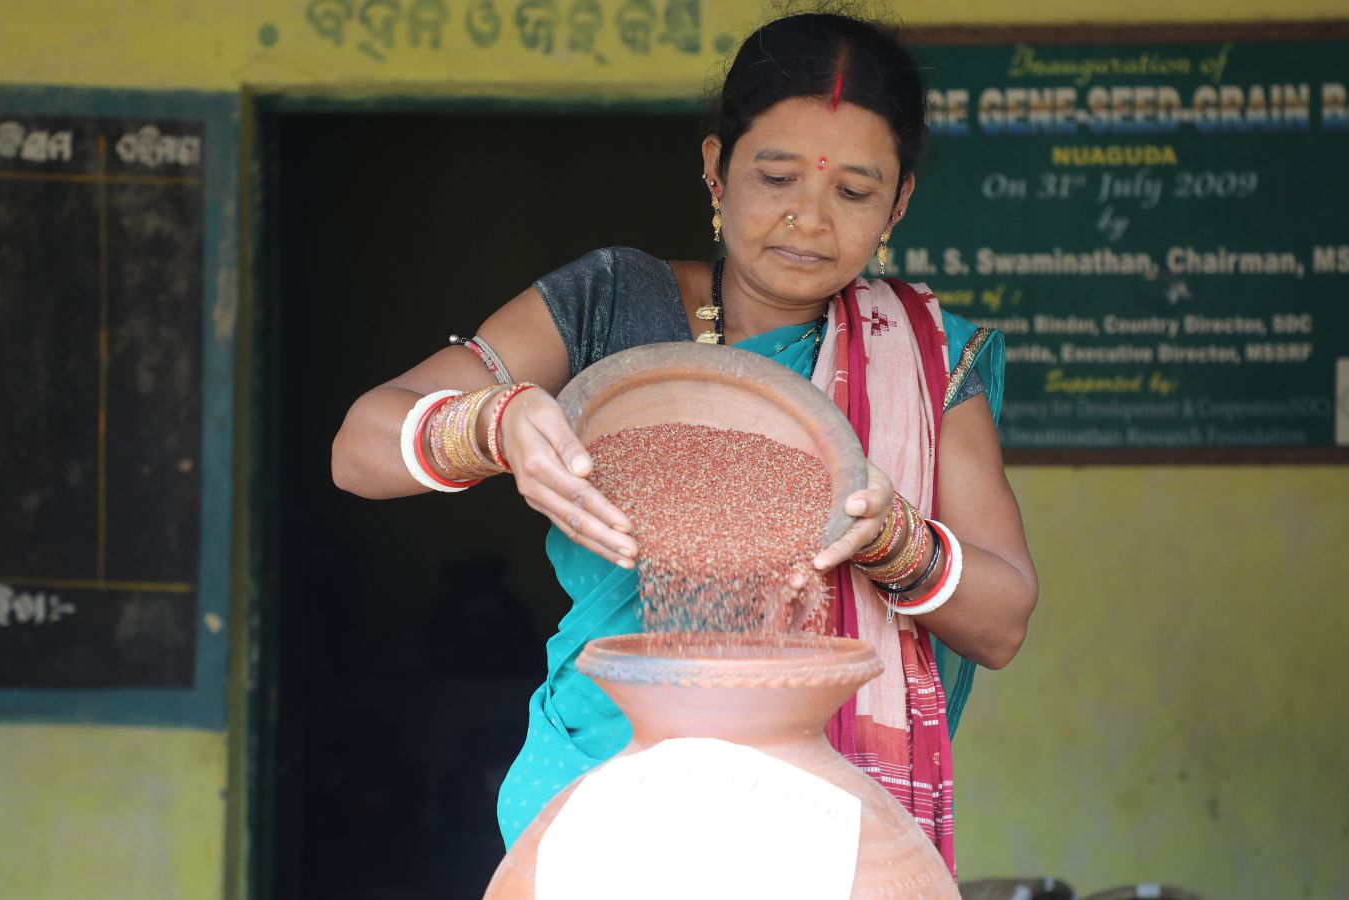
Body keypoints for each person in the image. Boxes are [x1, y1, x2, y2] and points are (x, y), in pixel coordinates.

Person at [331, 12, 1038, 875]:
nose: (808, 221)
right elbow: (360, 447)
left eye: (853, 193)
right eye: (775, 177)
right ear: (715, 169)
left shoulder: (924, 362)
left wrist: (898, 540)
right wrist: (493, 425)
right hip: (600, 780)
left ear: (899, 203)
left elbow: (1002, 622)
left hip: (811, 814)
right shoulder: (612, 302)